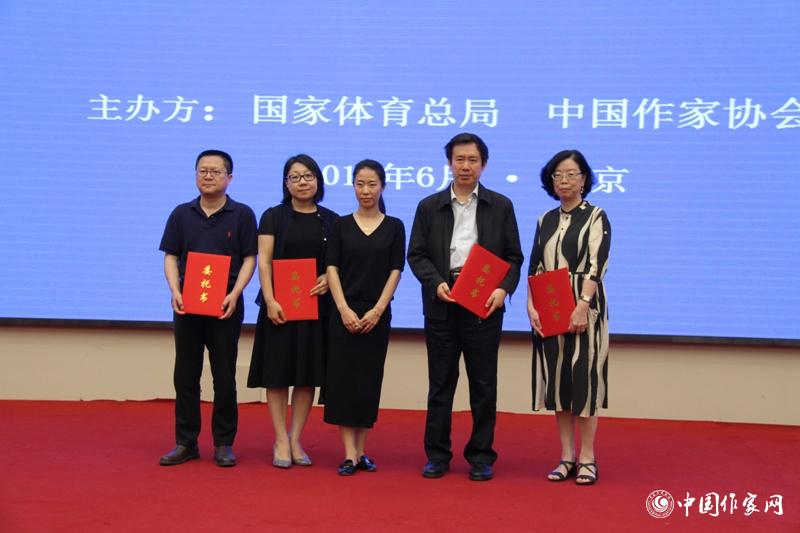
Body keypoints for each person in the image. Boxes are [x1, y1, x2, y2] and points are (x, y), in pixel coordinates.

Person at [407, 133, 523, 481]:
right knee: (440, 383)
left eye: (473, 160)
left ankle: (481, 456)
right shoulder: (429, 206)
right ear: (449, 163)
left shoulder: (500, 206)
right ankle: (437, 455)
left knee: (483, 385)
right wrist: (435, 282)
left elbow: (514, 257)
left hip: (484, 305)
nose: (466, 166)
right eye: (459, 159)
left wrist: (503, 289)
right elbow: (416, 254)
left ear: (483, 164)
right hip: (442, 303)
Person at [158, 149, 258, 467]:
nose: (208, 176)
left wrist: (236, 293)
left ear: (230, 177)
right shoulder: (181, 213)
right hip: (187, 305)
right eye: (203, 170)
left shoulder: (242, 214)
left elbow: (250, 258)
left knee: (224, 375)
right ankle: (186, 442)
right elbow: (171, 256)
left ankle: (223, 443)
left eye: (216, 171)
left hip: (225, 305)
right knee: (185, 375)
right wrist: (175, 291)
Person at [247, 154, 338, 468]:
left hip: (314, 308)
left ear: (318, 180)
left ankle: (296, 437)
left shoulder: (331, 220)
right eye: (295, 177)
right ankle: (280, 439)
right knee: (277, 374)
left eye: (308, 176)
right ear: (286, 183)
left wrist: (327, 277)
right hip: (279, 308)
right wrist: (270, 299)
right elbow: (264, 261)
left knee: (306, 376)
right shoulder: (273, 216)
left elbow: (336, 263)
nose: (302, 182)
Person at [527, 149, 611, 486]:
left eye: (571, 174)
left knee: (584, 381)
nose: (564, 180)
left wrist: (582, 304)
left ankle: (587, 458)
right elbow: (535, 264)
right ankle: (566, 456)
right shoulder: (545, 219)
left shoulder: (596, 216)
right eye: (558, 175)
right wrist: (530, 306)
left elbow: (596, 264)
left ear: (584, 179)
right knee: (559, 383)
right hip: (549, 303)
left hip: (584, 305)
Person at [324, 159, 405, 476]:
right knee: (344, 382)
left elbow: (396, 270)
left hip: (377, 314)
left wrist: (378, 310)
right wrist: (343, 308)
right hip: (343, 313)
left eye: (372, 184)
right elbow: (332, 268)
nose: (366, 190)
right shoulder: (340, 225)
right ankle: (349, 454)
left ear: (382, 186)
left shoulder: (395, 226)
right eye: (360, 184)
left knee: (368, 382)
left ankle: (361, 451)